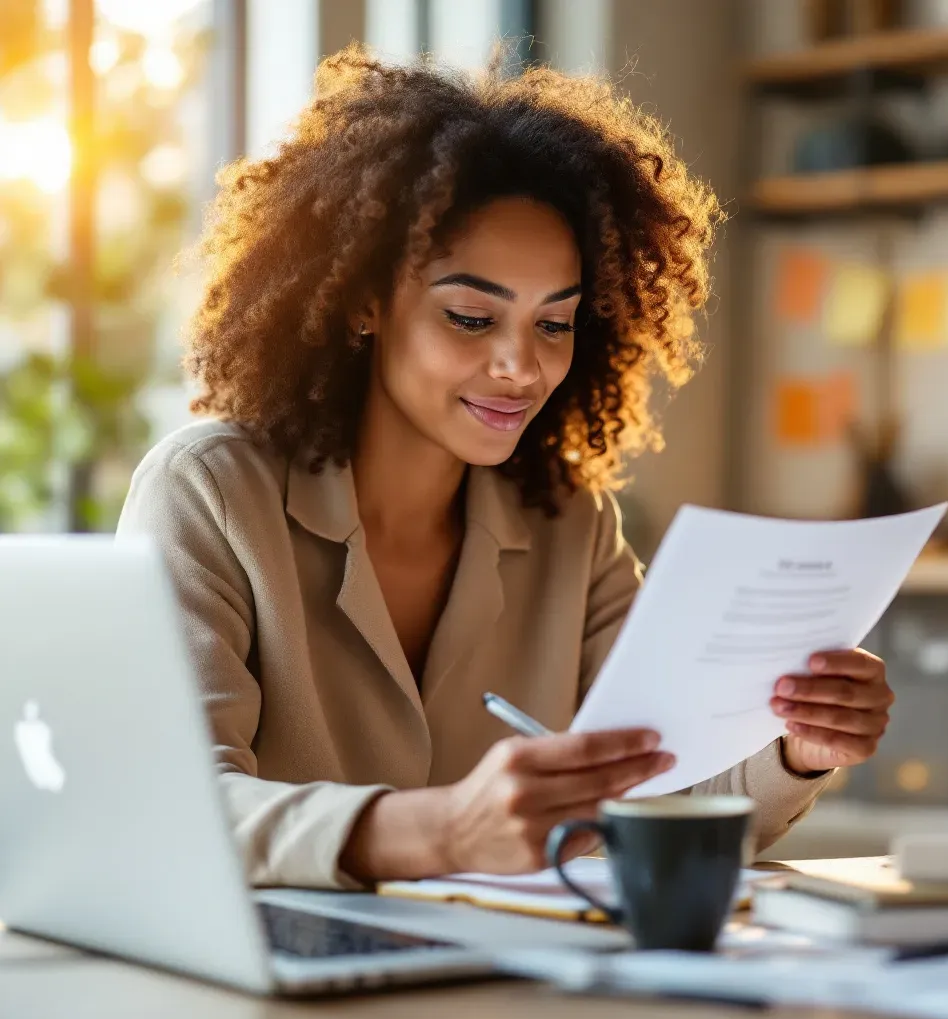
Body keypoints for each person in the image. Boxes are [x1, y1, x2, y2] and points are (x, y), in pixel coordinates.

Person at [117, 47, 894, 889]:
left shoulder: (571, 522)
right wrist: (443, 832)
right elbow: (168, 805)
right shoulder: (210, 493)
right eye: (470, 317)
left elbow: (664, 791)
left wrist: (795, 749)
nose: (522, 367)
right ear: (365, 301)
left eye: (554, 325)